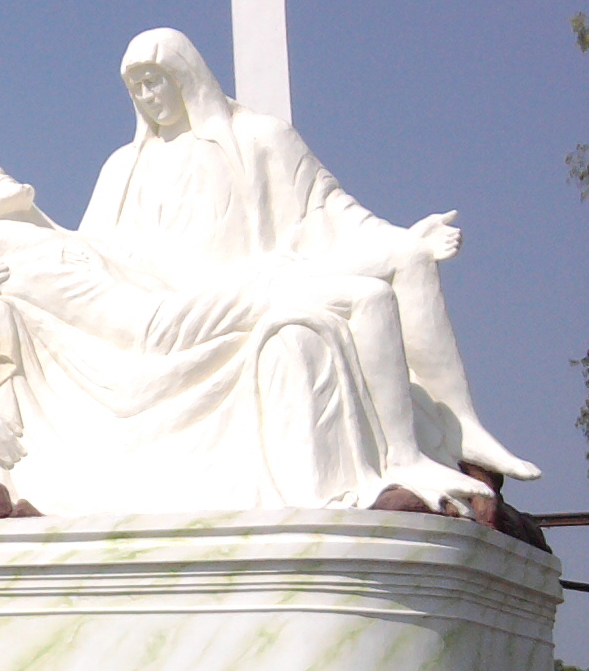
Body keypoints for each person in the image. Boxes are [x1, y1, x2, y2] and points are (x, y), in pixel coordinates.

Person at [80, 28, 536, 482]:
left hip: (279, 272)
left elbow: (331, 207)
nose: (147, 96)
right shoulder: (124, 168)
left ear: (184, 75)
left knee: (409, 255)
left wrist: (406, 235)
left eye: (154, 81)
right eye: (136, 87)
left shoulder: (259, 137)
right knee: (369, 295)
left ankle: (464, 426)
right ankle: (404, 456)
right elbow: (87, 253)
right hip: (214, 299)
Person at [0, 162, 487, 516]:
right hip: (152, 330)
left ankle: (402, 255)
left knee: (360, 291)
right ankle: (404, 457)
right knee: (364, 298)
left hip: (169, 308)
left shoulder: (55, 234)